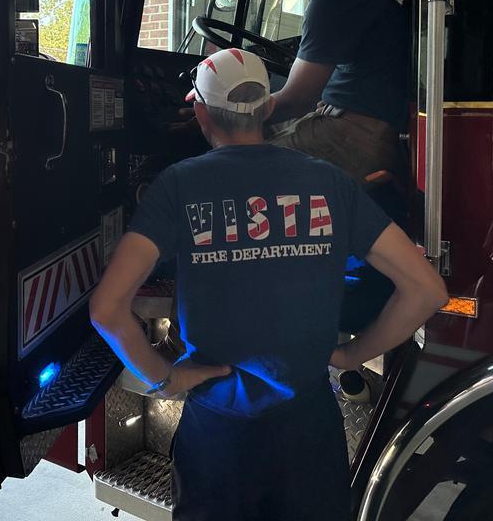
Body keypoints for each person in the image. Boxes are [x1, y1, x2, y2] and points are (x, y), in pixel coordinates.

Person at [90, 48, 448, 521]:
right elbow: (426, 291)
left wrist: (167, 378)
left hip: (217, 433)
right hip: (309, 432)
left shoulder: (178, 185)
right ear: (268, 108)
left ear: (200, 111)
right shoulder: (330, 182)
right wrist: (349, 354)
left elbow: (107, 309)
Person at [268, 0, 412, 185]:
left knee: (234, 170)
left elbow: (298, 99)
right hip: (395, 130)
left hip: (356, 136)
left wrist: (224, 116)